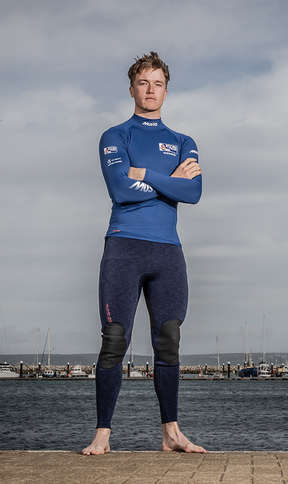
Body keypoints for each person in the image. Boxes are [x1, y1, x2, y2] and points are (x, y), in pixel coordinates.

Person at [82, 52, 206, 455]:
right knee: (114, 340)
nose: (150, 90)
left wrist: (148, 175)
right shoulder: (116, 136)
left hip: (168, 254)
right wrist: (170, 181)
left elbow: (194, 192)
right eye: (143, 83)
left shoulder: (184, 141)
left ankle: (171, 433)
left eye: (158, 83)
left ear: (166, 90)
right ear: (132, 88)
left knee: (168, 342)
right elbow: (119, 189)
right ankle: (103, 433)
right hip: (124, 248)